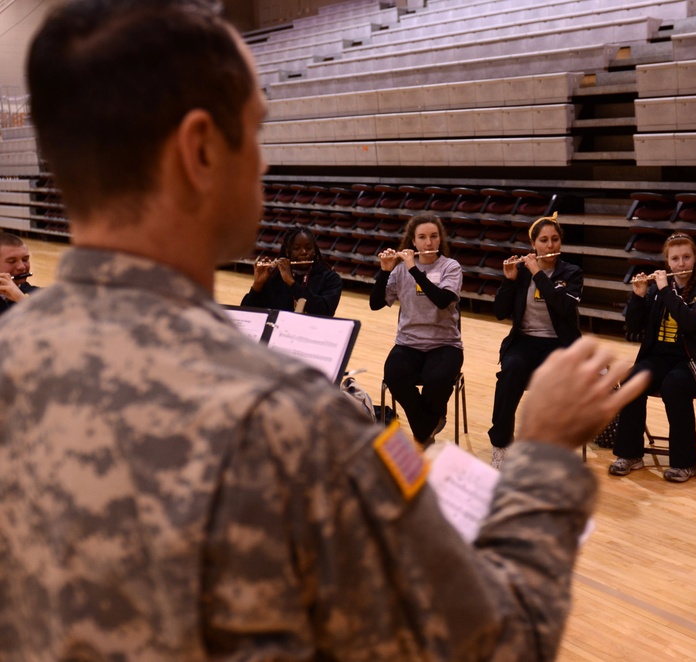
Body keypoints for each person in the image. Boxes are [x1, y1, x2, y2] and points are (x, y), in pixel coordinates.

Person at [0, 1, 648, 659]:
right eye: (255, 133)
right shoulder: (293, 425)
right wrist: (543, 455)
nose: (264, 164)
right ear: (199, 150)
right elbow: (501, 641)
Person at [608, 233, 696, 482]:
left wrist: (663, 291)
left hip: (694, 363)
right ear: (668, 262)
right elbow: (633, 327)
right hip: (660, 358)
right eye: (675, 259)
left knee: (674, 385)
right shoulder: (661, 290)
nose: (681, 264)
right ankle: (630, 454)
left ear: (695, 259)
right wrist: (638, 297)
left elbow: (691, 322)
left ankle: (685, 462)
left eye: (686, 257)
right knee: (630, 381)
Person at [488, 214, 583, 468]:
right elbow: (499, 312)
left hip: (560, 345)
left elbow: (563, 306)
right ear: (534, 244)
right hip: (524, 341)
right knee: (511, 372)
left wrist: (538, 274)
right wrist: (508, 282)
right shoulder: (520, 271)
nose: (550, 245)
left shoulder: (571, 273)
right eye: (544, 240)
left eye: (554, 239)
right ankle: (501, 444)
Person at [370, 213, 463, 446]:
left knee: (438, 378)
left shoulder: (450, 267)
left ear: (440, 239)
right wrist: (384, 271)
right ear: (413, 241)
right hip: (408, 342)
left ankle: (422, 434)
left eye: (433, 237)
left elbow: (442, 300)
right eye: (422, 237)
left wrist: (413, 269)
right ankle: (427, 427)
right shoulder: (401, 270)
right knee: (394, 375)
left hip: (444, 343)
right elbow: (375, 304)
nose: (428, 243)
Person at [241, 225, 342, 316]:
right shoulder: (274, 277)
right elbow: (246, 313)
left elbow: (325, 311)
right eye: (297, 248)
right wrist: (257, 285)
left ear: (314, 250)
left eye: (308, 248)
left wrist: (291, 282)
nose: (304, 252)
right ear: (287, 252)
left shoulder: (330, 279)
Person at [0, 233, 38, 315]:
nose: (22, 267)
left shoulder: (44, 295)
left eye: (25, 259)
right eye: (12, 261)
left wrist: (22, 300)